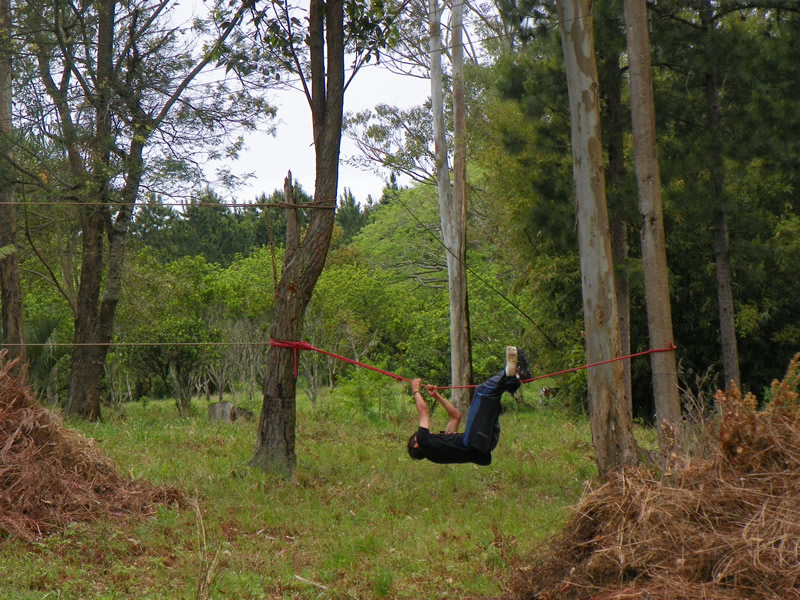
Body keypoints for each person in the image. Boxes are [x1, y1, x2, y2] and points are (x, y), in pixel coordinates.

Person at [406, 346, 530, 466]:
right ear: (416, 444)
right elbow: (423, 410)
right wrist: (415, 390)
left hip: (486, 444)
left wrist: (436, 396)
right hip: (474, 441)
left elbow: (455, 416)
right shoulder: (424, 442)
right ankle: (509, 375)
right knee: (481, 392)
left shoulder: (439, 448)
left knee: (492, 401)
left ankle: (515, 377)